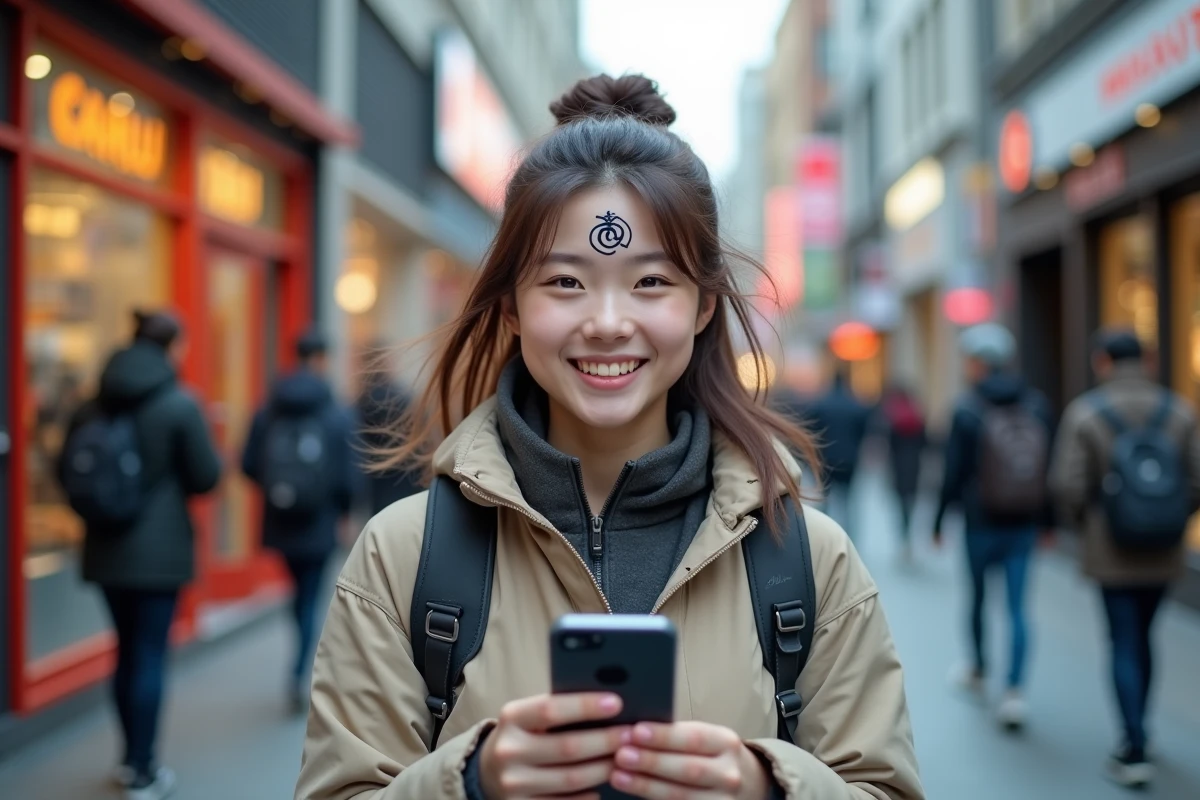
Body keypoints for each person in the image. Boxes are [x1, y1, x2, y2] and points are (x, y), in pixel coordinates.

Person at [295, 75, 922, 800]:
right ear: (510, 310)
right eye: (565, 283)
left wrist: (768, 786)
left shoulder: (806, 560)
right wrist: (470, 781)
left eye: (651, 282)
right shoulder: (403, 556)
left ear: (702, 307)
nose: (607, 321)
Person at [58, 310, 221, 800]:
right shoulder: (179, 404)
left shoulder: (91, 405)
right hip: (159, 553)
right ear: (172, 347)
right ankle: (144, 771)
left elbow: (66, 468)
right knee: (149, 653)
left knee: (125, 651)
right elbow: (206, 477)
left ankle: (128, 760)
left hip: (106, 548)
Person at [1048, 329, 1200, 788]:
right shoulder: (1179, 410)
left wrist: (1092, 524)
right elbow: (1196, 479)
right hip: (1164, 548)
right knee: (1146, 635)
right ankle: (1142, 732)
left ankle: (1132, 747)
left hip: (1110, 550)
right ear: (1147, 360)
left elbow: (1068, 485)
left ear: (1102, 361)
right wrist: (1170, 516)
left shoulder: (1087, 412)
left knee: (1122, 639)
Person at [932, 323, 1053, 732]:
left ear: (981, 363)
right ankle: (1015, 692)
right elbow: (1045, 470)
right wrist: (1048, 522)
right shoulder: (1036, 405)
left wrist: (936, 520)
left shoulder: (967, 407)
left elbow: (953, 471)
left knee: (979, 598)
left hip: (980, 522)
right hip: (1023, 523)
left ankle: (980, 670)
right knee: (1019, 608)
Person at [242, 332, 358, 714]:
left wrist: (280, 488)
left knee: (297, 592)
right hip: (319, 520)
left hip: (280, 517)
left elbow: (247, 463)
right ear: (322, 358)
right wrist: (343, 511)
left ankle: (297, 658)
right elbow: (347, 473)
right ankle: (298, 671)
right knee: (311, 595)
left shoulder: (269, 407)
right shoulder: (334, 410)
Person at [803, 367, 872, 534]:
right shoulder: (855, 405)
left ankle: (824, 533)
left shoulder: (822, 404)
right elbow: (863, 431)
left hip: (826, 457)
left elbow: (811, 430)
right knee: (848, 500)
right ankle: (849, 534)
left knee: (825, 499)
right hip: (850, 459)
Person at [355, 354, 422, 517]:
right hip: (405, 482)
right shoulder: (405, 399)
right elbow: (420, 445)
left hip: (374, 486)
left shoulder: (361, 404)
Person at [879, 384, 927, 558]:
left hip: (897, 465)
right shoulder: (917, 416)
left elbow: (889, 443)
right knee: (911, 499)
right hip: (914, 464)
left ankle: (903, 534)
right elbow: (925, 442)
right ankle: (907, 531)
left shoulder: (894, 416)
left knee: (899, 500)